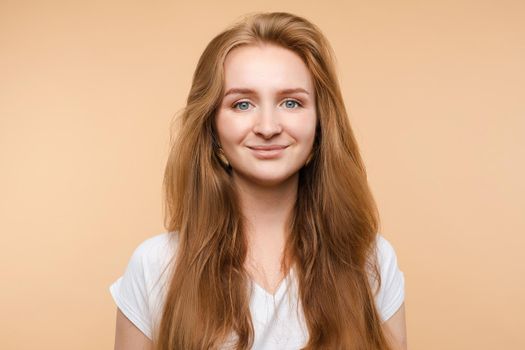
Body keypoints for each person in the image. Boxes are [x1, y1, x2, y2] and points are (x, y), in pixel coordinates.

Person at [109, 11, 407, 350]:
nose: (268, 127)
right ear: (212, 127)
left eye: (291, 102)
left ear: (320, 124)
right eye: (242, 104)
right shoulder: (155, 266)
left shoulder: (371, 260)